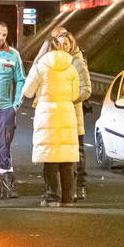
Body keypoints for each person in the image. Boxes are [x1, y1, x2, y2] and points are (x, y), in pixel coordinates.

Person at [22, 32, 81, 206]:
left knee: (51, 157)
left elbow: (28, 91)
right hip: (66, 113)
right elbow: (75, 94)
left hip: (47, 115)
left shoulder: (41, 65)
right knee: (66, 158)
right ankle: (68, 198)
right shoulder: (71, 67)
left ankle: (53, 196)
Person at [33, 27, 92, 199]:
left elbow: (86, 89)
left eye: (66, 43)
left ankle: (77, 187)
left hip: (72, 115)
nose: (63, 46)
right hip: (55, 115)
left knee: (75, 153)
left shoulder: (76, 62)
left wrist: (67, 99)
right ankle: (57, 190)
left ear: (71, 44)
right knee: (54, 153)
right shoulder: (50, 61)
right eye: (59, 43)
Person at [0, 21, 25, 198]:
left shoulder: (13, 55)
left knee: (4, 148)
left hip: (4, 109)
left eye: (4, 35)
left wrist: (15, 105)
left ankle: (7, 185)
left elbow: (22, 80)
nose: (1, 37)